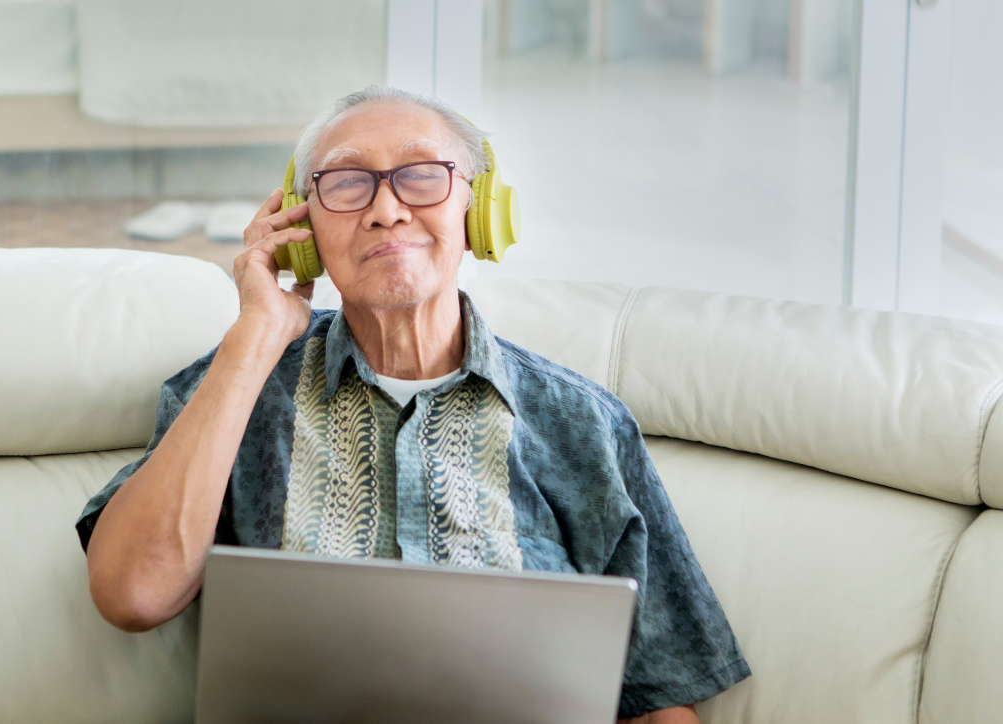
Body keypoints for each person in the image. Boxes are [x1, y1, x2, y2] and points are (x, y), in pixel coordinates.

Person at [77, 86, 749, 723]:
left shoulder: (581, 421)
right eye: (345, 183)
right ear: (302, 226)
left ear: (479, 209)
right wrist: (257, 335)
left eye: (421, 175)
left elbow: (665, 697)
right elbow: (133, 593)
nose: (386, 209)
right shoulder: (237, 386)